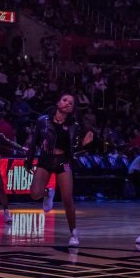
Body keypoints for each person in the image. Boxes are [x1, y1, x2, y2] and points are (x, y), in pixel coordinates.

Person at [24, 94, 94, 247]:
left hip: (63, 161)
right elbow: (35, 141)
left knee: (67, 199)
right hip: (45, 159)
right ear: (58, 102)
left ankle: (74, 233)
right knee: (35, 194)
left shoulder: (74, 124)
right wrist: (29, 160)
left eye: (70, 103)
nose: (67, 103)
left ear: (71, 109)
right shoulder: (43, 120)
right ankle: (48, 193)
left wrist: (85, 143)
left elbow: (77, 147)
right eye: (64, 100)